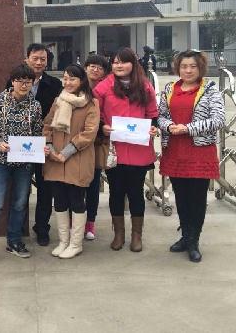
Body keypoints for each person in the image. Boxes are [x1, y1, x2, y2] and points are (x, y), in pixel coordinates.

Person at [158, 50, 225, 263]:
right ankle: (185, 236)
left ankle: (194, 240)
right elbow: (160, 116)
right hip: (175, 150)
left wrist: (187, 128)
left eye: (193, 66)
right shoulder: (170, 88)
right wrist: (169, 125)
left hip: (199, 152)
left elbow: (218, 119)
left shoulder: (210, 89)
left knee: (197, 198)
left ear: (200, 68)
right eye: (184, 66)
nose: (188, 70)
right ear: (178, 68)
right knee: (181, 197)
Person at [93, 47, 159, 252]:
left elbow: (152, 114)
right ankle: (119, 234)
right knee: (116, 192)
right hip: (114, 150)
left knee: (136, 192)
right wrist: (102, 126)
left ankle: (137, 235)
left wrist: (153, 127)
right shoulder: (104, 86)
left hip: (139, 149)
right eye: (115, 62)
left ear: (133, 64)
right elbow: (94, 113)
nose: (119, 65)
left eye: (123, 61)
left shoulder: (145, 86)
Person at [0, 64, 43, 266]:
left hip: (24, 163)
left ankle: (14, 241)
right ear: (12, 81)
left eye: (28, 82)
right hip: (0, 160)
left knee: (19, 203)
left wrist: (40, 148)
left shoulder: (35, 106)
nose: (24, 85)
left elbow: (37, 132)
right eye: (20, 81)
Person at [7, 43, 62, 246]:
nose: (39, 62)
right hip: (20, 145)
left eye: (43, 59)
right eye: (35, 58)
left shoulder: (55, 84)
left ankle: (42, 228)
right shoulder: (13, 81)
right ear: (27, 59)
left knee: (45, 189)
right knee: (20, 189)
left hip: (44, 144)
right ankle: (19, 227)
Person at [43, 64, 100, 258]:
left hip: (78, 158)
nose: (67, 82)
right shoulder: (58, 100)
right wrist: (50, 148)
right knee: (59, 201)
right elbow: (47, 126)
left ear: (82, 81)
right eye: (65, 78)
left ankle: (76, 244)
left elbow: (89, 133)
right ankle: (63, 241)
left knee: (77, 200)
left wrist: (66, 152)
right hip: (55, 158)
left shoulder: (91, 103)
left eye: (72, 79)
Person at [83, 54, 111, 240]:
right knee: (76, 184)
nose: (95, 69)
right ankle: (75, 220)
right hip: (77, 143)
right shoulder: (75, 85)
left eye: (100, 67)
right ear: (85, 68)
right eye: (92, 66)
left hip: (97, 142)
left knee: (93, 184)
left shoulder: (108, 90)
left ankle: (90, 222)